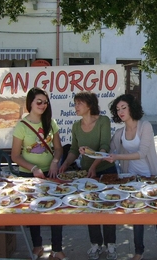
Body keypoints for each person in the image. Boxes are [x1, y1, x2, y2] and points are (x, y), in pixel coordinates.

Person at [103, 94, 157, 260]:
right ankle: (138, 252)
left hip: (151, 176)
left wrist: (117, 157)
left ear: (131, 108)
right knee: (137, 214)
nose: (120, 111)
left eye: (123, 107)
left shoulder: (145, 126)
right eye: (118, 109)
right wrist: (91, 152)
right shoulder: (120, 132)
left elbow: (141, 153)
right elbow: (109, 150)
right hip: (132, 180)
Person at [58, 91, 117, 260]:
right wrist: (65, 164)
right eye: (75, 103)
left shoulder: (103, 121)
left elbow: (105, 147)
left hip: (105, 171)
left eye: (79, 103)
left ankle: (111, 245)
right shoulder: (76, 126)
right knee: (91, 207)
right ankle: (95, 244)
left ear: (89, 105)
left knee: (108, 207)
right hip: (86, 173)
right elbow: (74, 150)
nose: (75, 107)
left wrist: (94, 165)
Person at [11, 87, 67, 260]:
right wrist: (33, 168)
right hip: (29, 175)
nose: (43, 105)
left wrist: (55, 162)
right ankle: (37, 246)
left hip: (51, 174)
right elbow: (15, 155)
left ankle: (57, 249)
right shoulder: (21, 126)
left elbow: (58, 149)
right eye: (39, 102)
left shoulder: (52, 123)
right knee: (33, 211)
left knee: (56, 209)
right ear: (30, 103)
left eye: (45, 102)